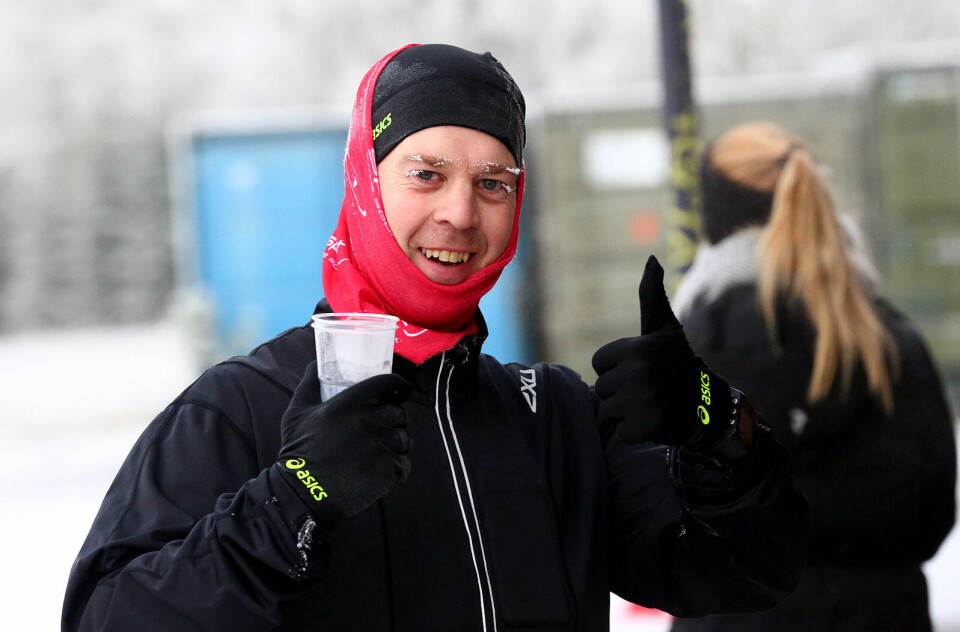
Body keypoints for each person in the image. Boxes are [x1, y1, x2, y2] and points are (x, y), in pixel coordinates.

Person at [62, 46, 807, 632]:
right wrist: (290, 500)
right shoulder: (239, 408)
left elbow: (742, 574)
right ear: (365, 182)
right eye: (426, 174)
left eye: (493, 183)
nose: (460, 212)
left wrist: (721, 429)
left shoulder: (552, 418)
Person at [670, 122, 957, 632]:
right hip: (879, 614)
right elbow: (929, 514)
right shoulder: (886, 335)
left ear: (717, 217)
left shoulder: (698, 340)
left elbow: (662, 507)